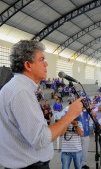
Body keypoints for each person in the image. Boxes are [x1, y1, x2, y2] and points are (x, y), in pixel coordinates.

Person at [0, 40, 83, 169]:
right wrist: (70, 115)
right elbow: (40, 139)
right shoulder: (21, 91)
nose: (46, 63)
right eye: (42, 59)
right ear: (28, 65)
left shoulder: (14, 88)